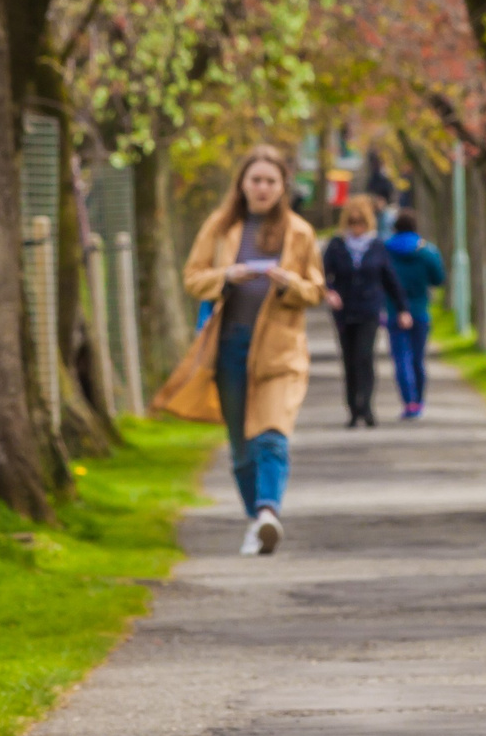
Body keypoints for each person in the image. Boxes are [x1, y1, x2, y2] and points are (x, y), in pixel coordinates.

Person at [154, 146, 323, 555]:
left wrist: (288, 284)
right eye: (256, 180)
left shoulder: (299, 232)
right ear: (243, 184)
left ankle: (269, 511)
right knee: (240, 446)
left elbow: (316, 290)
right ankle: (256, 520)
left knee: (271, 434)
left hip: (280, 351)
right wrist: (227, 276)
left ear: (283, 187)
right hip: (229, 345)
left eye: (271, 181)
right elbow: (194, 278)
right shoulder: (221, 227)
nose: (263, 188)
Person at [322, 196, 409, 427]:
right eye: (352, 222)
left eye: (360, 222)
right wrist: (328, 292)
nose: (356, 227)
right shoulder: (336, 245)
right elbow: (321, 274)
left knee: (365, 356)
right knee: (349, 359)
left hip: (369, 309)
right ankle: (352, 408)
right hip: (344, 311)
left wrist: (402, 309)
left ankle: (367, 406)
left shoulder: (377, 246)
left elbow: (389, 279)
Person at [383, 210, 446, 420]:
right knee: (418, 358)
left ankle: (408, 401)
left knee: (401, 358)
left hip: (394, 311)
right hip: (420, 311)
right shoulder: (427, 252)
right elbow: (438, 279)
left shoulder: (385, 250)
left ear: (395, 228)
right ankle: (418, 401)